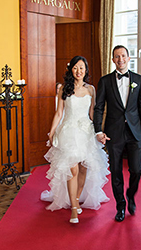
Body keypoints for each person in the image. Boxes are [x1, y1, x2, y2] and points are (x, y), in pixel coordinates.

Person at [41, 56, 109, 224]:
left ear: (86, 70)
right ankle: (73, 209)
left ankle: (77, 198)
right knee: (73, 170)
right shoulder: (63, 88)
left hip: (86, 131)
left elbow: (93, 114)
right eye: (75, 68)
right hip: (69, 132)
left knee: (84, 169)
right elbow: (59, 113)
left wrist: (99, 132)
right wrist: (51, 132)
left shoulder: (91, 89)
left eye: (82, 68)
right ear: (71, 70)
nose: (79, 71)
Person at [93, 45, 141, 222]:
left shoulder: (139, 80)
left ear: (129, 58)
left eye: (123, 56)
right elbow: (99, 107)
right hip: (113, 133)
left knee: (137, 168)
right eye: (117, 57)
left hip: (135, 132)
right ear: (113, 60)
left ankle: (131, 194)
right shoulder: (105, 81)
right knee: (116, 171)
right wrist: (98, 131)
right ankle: (120, 206)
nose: (120, 59)